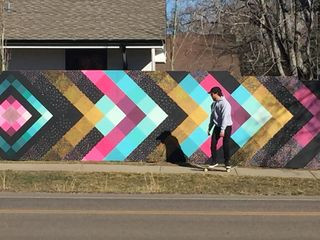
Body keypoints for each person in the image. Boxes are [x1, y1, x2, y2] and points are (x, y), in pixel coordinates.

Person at [207, 87, 233, 172]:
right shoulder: (213, 104)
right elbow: (212, 117)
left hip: (226, 126)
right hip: (217, 126)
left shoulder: (225, 104)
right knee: (213, 144)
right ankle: (214, 161)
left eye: (211, 94)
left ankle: (227, 162)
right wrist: (210, 128)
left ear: (216, 93)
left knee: (226, 145)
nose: (211, 95)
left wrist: (222, 130)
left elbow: (225, 117)